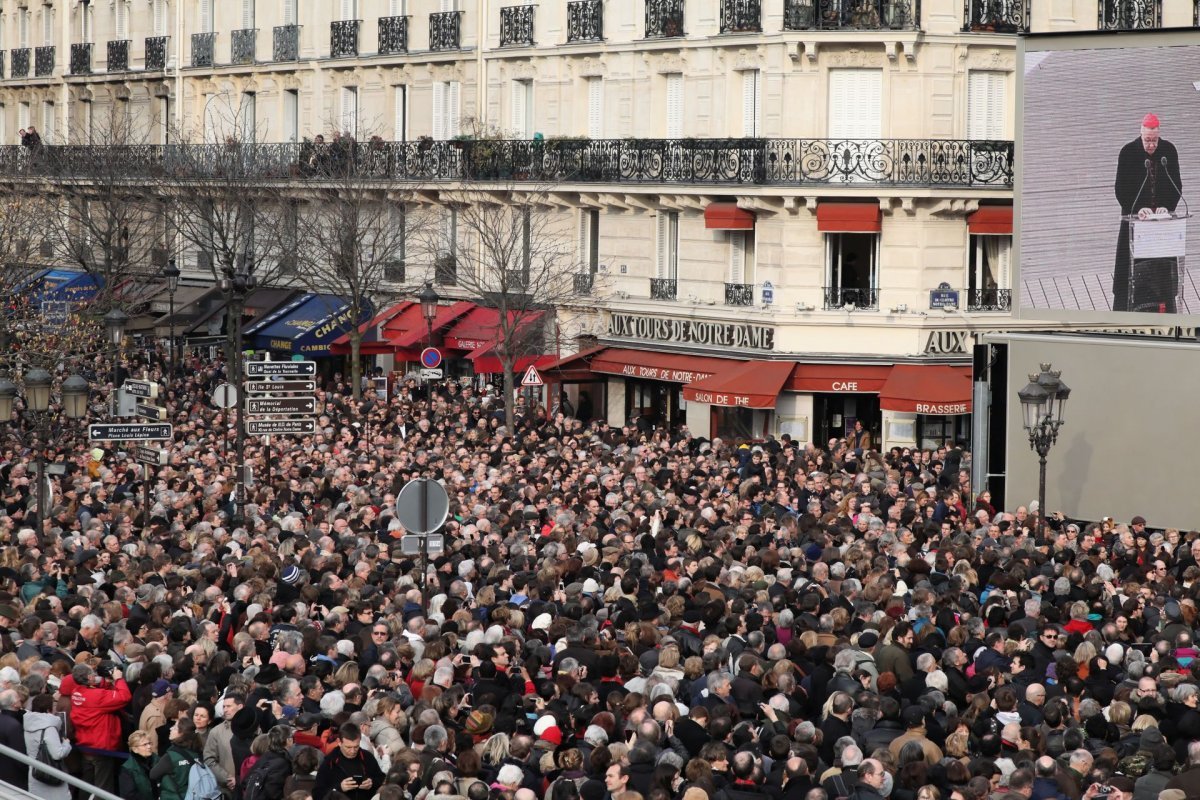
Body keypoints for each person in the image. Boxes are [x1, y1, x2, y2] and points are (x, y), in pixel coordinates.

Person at [1113, 112, 1183, 312]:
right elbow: (1121, 190)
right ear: (1141, 134)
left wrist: (1166, 208)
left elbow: (1176, 185)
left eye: (1154, 141)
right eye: (1147, 141)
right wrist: (1137, 209)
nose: (1151, 145)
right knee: (1130, 278)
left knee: (1162, 279)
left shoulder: (1168, 151)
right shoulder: (1127, 152)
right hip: (1135, 224)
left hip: (1161, 227)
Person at [69, 662, 131, 793]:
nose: (95, 676)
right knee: (103, 788)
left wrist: (107, 681)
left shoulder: (76, 692)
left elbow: (95, 692)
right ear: (90, 678)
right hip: (101, 747)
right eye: (93, 674)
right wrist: (118, 679)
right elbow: (124, 697)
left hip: (86, 745)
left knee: (87, 786)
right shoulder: (97, 696)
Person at [313, 723, 385, 800]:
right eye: (348, 747)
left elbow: (381, 778)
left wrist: (372, 783)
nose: (352, 751)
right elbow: (317, 793)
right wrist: (339, 788)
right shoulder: (329, 762)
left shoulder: (367, 757)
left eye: (356, 746)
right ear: (339, 743)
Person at [24, 692, 71, 800]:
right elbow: (57, 754)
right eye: (53, 705)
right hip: (50, 772)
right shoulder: (49, 728)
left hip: (34, 772)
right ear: (48, 709)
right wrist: (66, 744)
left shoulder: (28, 724)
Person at [150, 717, 206, 800]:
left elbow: (153, 774)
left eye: (175, 727)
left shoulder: (171, 756)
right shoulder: (198, 753)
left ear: (181, 733)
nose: (171, 728)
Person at [120, 730, 158, 800]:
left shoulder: (157, 760)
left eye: (149, 743)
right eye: (145, 744)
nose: (149, 746)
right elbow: (129, 794)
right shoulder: (128, 768)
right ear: (135, 749)